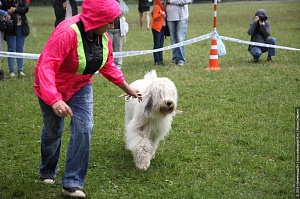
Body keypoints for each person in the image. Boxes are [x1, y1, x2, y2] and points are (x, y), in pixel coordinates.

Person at [34, 0, 141, 197]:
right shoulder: (67, 32)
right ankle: (47, 170)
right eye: (110, 21)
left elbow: (107, 65)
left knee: (84, 127)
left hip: (81, 86)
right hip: (52, 87)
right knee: (53, 131)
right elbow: (46, 66)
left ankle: (72, 182)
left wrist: (127, 88)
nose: (112, 25)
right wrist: (55, 99)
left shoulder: (103, 37)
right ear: (97, 18)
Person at [2, 0, 29, 77]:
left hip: (22, 26)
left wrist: (15, 9)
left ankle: (20, 70)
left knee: (20, 49)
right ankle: (12, 71)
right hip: (11, 27)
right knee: (11, 49)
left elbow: (26, 8)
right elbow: (5, 8)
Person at [166, 0, 191, 66]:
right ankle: (175, 58)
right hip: (170, 17)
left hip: (181, 18)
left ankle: (181, 59)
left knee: (180, 38)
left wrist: (171, 1)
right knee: (173, 40)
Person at [107, 0, 129, 69]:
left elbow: (126, 11)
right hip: (108, 29)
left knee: (118, 48)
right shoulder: (107, 2)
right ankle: (107, 64)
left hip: (119, 29)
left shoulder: (120, 2)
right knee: (108, 49)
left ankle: (118, 65)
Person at [151, 0, 166, 66]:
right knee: (157, 45)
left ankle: (161, 60)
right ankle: (156, 60)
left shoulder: (162, 7)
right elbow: (154, 17)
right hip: (157, 28)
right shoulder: (157, 7)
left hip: (161, 28)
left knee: (161, 45)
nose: (162, 1)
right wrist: (161, 14)